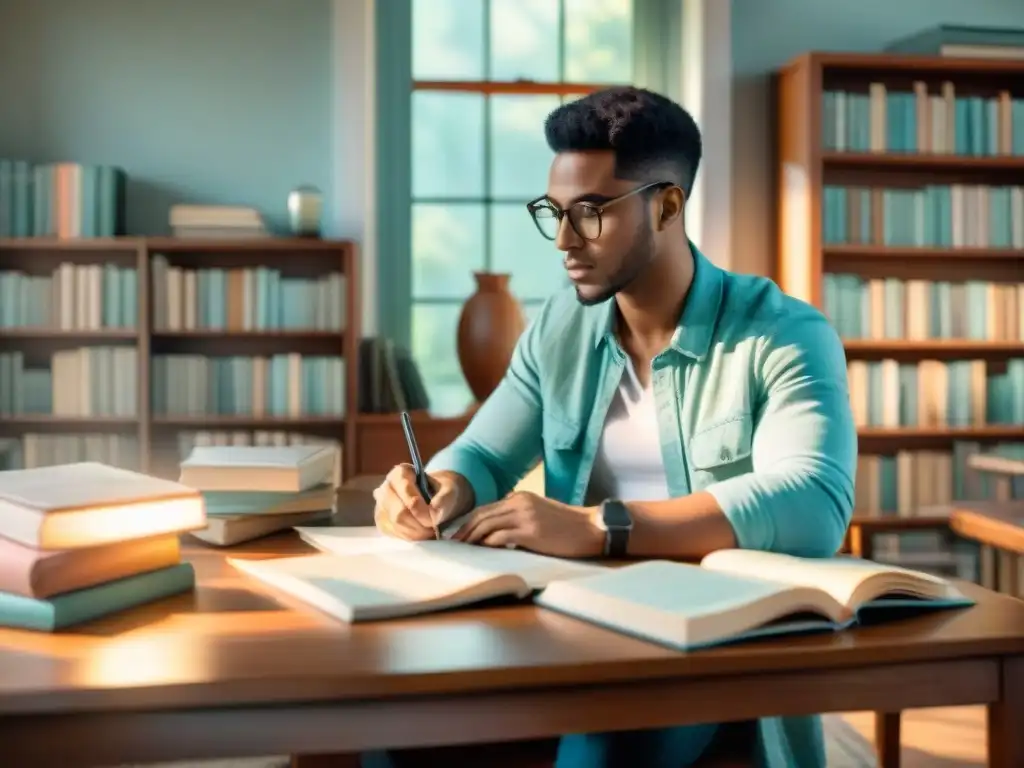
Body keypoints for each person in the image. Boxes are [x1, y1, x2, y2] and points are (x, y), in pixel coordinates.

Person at [371, 86, 857, 768]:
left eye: (592, 213)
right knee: (389, 732)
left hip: (719, 646)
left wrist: (604, 528)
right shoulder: (560, 326)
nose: (566, 240)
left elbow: (814, 503)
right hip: (575, 626)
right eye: (554, 213)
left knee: (595, 746)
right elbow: (485, 448)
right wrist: (441, 484)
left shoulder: (782, 333)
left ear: (667, 206)